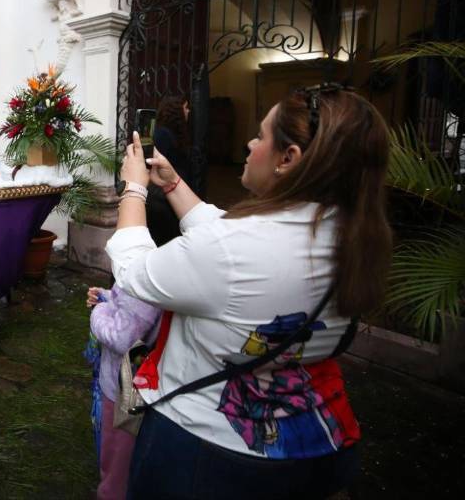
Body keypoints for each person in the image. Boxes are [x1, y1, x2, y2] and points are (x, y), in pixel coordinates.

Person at [107, 84, 392, 499]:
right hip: (312, 445)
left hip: (207, 451)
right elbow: (228, 235)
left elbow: (134, 272)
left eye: (260, 136)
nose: (249, 143)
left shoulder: (234, 249)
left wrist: (133, 188)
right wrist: (173, 184)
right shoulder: (354, 236)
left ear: (288, 158)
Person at [87, 285, 160, 500]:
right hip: (132, 384)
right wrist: (107, 296)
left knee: (117, 459)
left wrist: (99, 311)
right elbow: (131, 309)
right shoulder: (150, 279)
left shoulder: (144, 280)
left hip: (125, 388)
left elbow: (121, 338)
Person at [147, 97, 190, 246]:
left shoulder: (173, 132)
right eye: (186, 107)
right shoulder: (163, 134)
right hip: (164, 196)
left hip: (173, 188)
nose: (188, 111)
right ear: (176, 111)